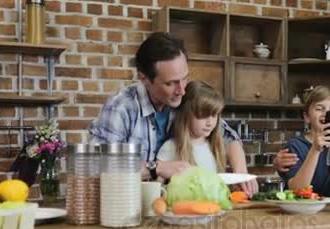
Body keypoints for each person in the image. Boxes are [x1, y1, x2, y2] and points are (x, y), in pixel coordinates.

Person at [88, 32, 257, 195]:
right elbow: (96, 165)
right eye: (170, 83)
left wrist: (241, 172)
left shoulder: (184, 98)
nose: (182, 90)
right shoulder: (121, 108)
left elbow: (227, 135)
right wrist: (157, 168)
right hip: (126, 208)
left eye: (184, 78)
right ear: (144, 79)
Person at [278, 86, 330, 197]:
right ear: (307, 117)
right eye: (319, 108)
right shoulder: (295, 146)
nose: (326, 113)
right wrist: (315, 149)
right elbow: (296, 190)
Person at [156, 81, 227, 174]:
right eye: (203, 115)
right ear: (186, 115)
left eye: (214, 115)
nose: (210, 123)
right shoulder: (170, 147)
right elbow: (157, 184)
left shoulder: (215, 147)